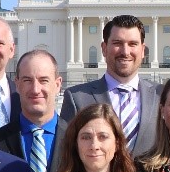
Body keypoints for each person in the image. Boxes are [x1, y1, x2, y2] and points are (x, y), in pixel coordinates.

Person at [59, 14, 162, 157]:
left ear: (143, 50)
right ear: (104, 48)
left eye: (133, 44)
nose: (125, 52)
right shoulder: (77, 98)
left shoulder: (161, 95)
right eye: (117, 43)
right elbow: (66, 152)